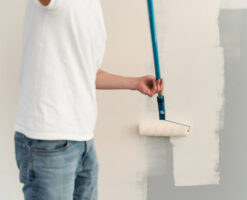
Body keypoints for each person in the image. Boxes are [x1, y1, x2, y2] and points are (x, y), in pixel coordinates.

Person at [13, 0, 163, 199]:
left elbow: (87, 73)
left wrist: (135, 83)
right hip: (48, 140)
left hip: (83, 141)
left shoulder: (92, 7)